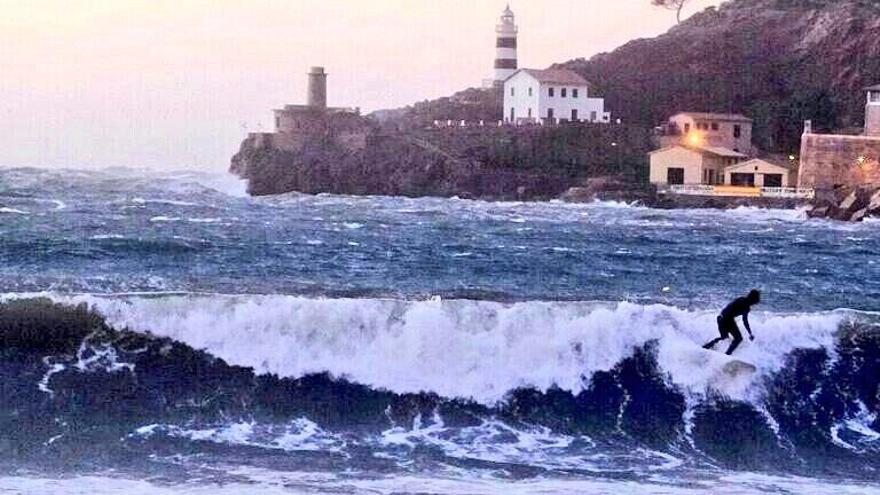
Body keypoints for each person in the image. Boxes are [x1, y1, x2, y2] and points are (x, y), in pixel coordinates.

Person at [703, 289, 760, 355]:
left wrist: (750, 333)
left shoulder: (742, 300)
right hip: (726, 319)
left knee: (724, 338)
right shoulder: (744, 304)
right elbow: (743, 319)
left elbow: (745, 320)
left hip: (720, 318)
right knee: (738, 338)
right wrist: (750, 333)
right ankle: (727, 354)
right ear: (754, 299)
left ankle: (705, 347)